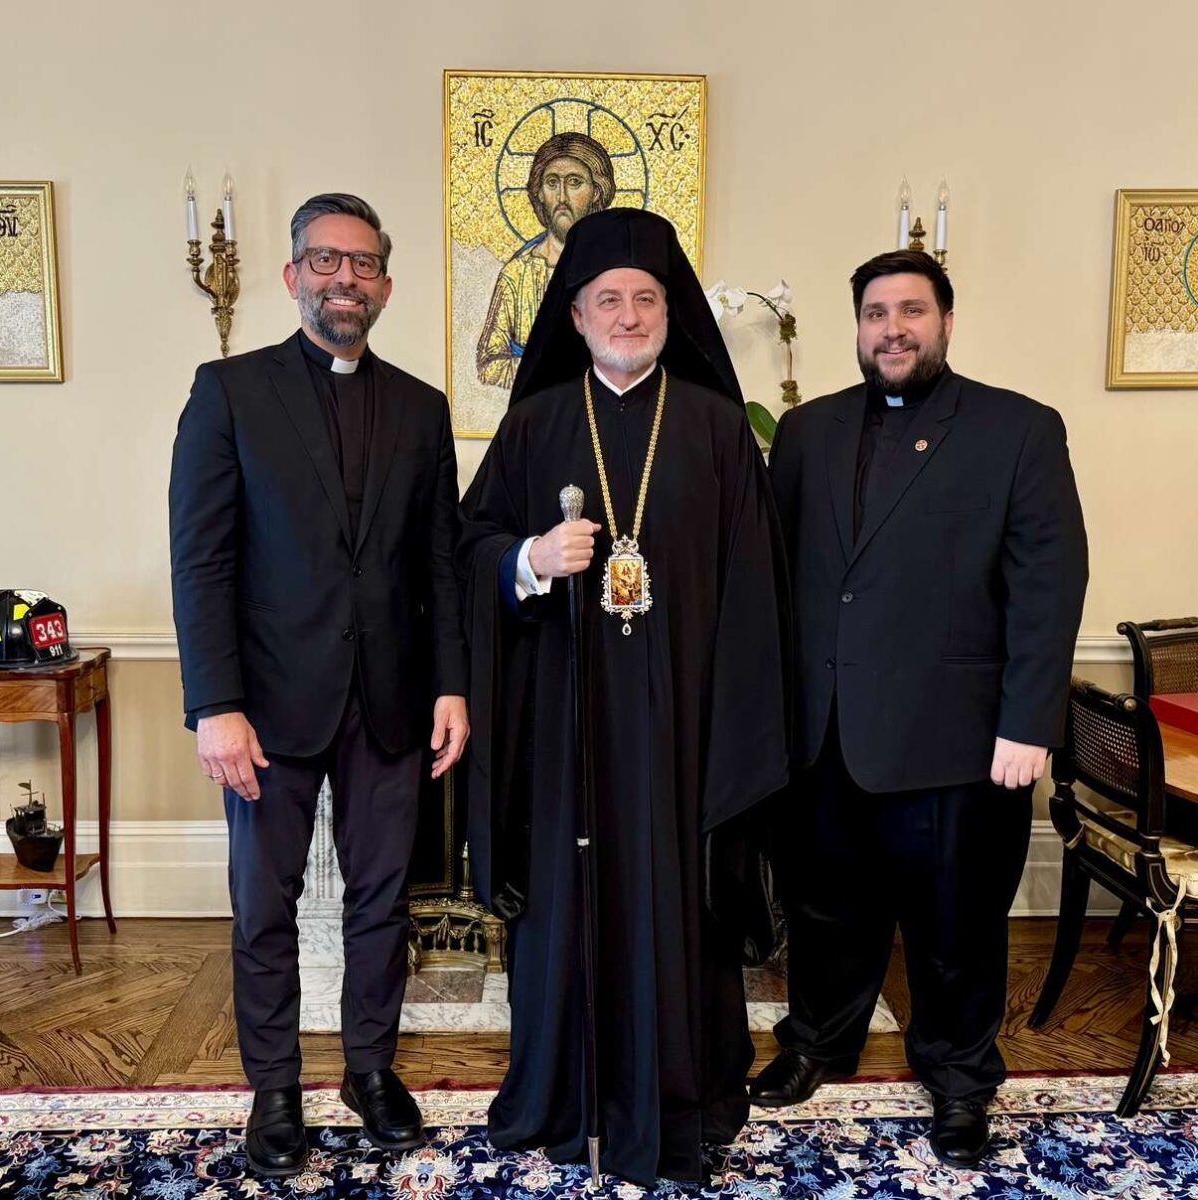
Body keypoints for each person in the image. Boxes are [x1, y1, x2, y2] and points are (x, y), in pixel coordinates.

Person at [459, 208, 788, 1186]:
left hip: (685, 730)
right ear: (575, 315)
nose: (629, 315)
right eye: (609, 299)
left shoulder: (720, 429)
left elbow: (758, 592)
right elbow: (467, 549)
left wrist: (735, 731)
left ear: (671, 312)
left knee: (676, 906)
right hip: (564, 726)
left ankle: (680, 1093)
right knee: (567, 905)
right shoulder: (535, 425)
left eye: (647, 298)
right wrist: (529, 557)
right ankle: (563, 1093)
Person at [757, 250, 1088, 1165]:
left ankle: (960, 1079)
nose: (892, 329)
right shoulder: (808, 431)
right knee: (825, 914)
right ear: (857, 328)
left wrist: (1030, 722)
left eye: (911, 311)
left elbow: (1049, 584)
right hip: (826, 733)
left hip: (959, 742)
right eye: (875, 314)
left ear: (946, 320)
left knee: (956, 929)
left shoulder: (1017, 429)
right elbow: (779, 574)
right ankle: (819, 1044)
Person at [169, 193, 469, 1177]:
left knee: (382, 905)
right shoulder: (228, 392)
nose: (346, 278)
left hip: (389, 701)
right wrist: (215, 705)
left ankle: (370, 1072)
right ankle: (276, 1087)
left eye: (364, 263)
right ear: (294, 274)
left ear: (385, 284)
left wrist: (451, 685)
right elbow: (202, 562)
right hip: (264, 707)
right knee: (266, 908)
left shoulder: (422, 408)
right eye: (328, 260)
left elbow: (440, 565)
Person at [475, 132, 616, 387]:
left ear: (596, 191)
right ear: (539, 192)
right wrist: (552, 372)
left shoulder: (618, 271)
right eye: (552, 183)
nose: (562, 197)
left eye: (574, 182)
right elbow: (489, 364)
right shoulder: (517, 275)